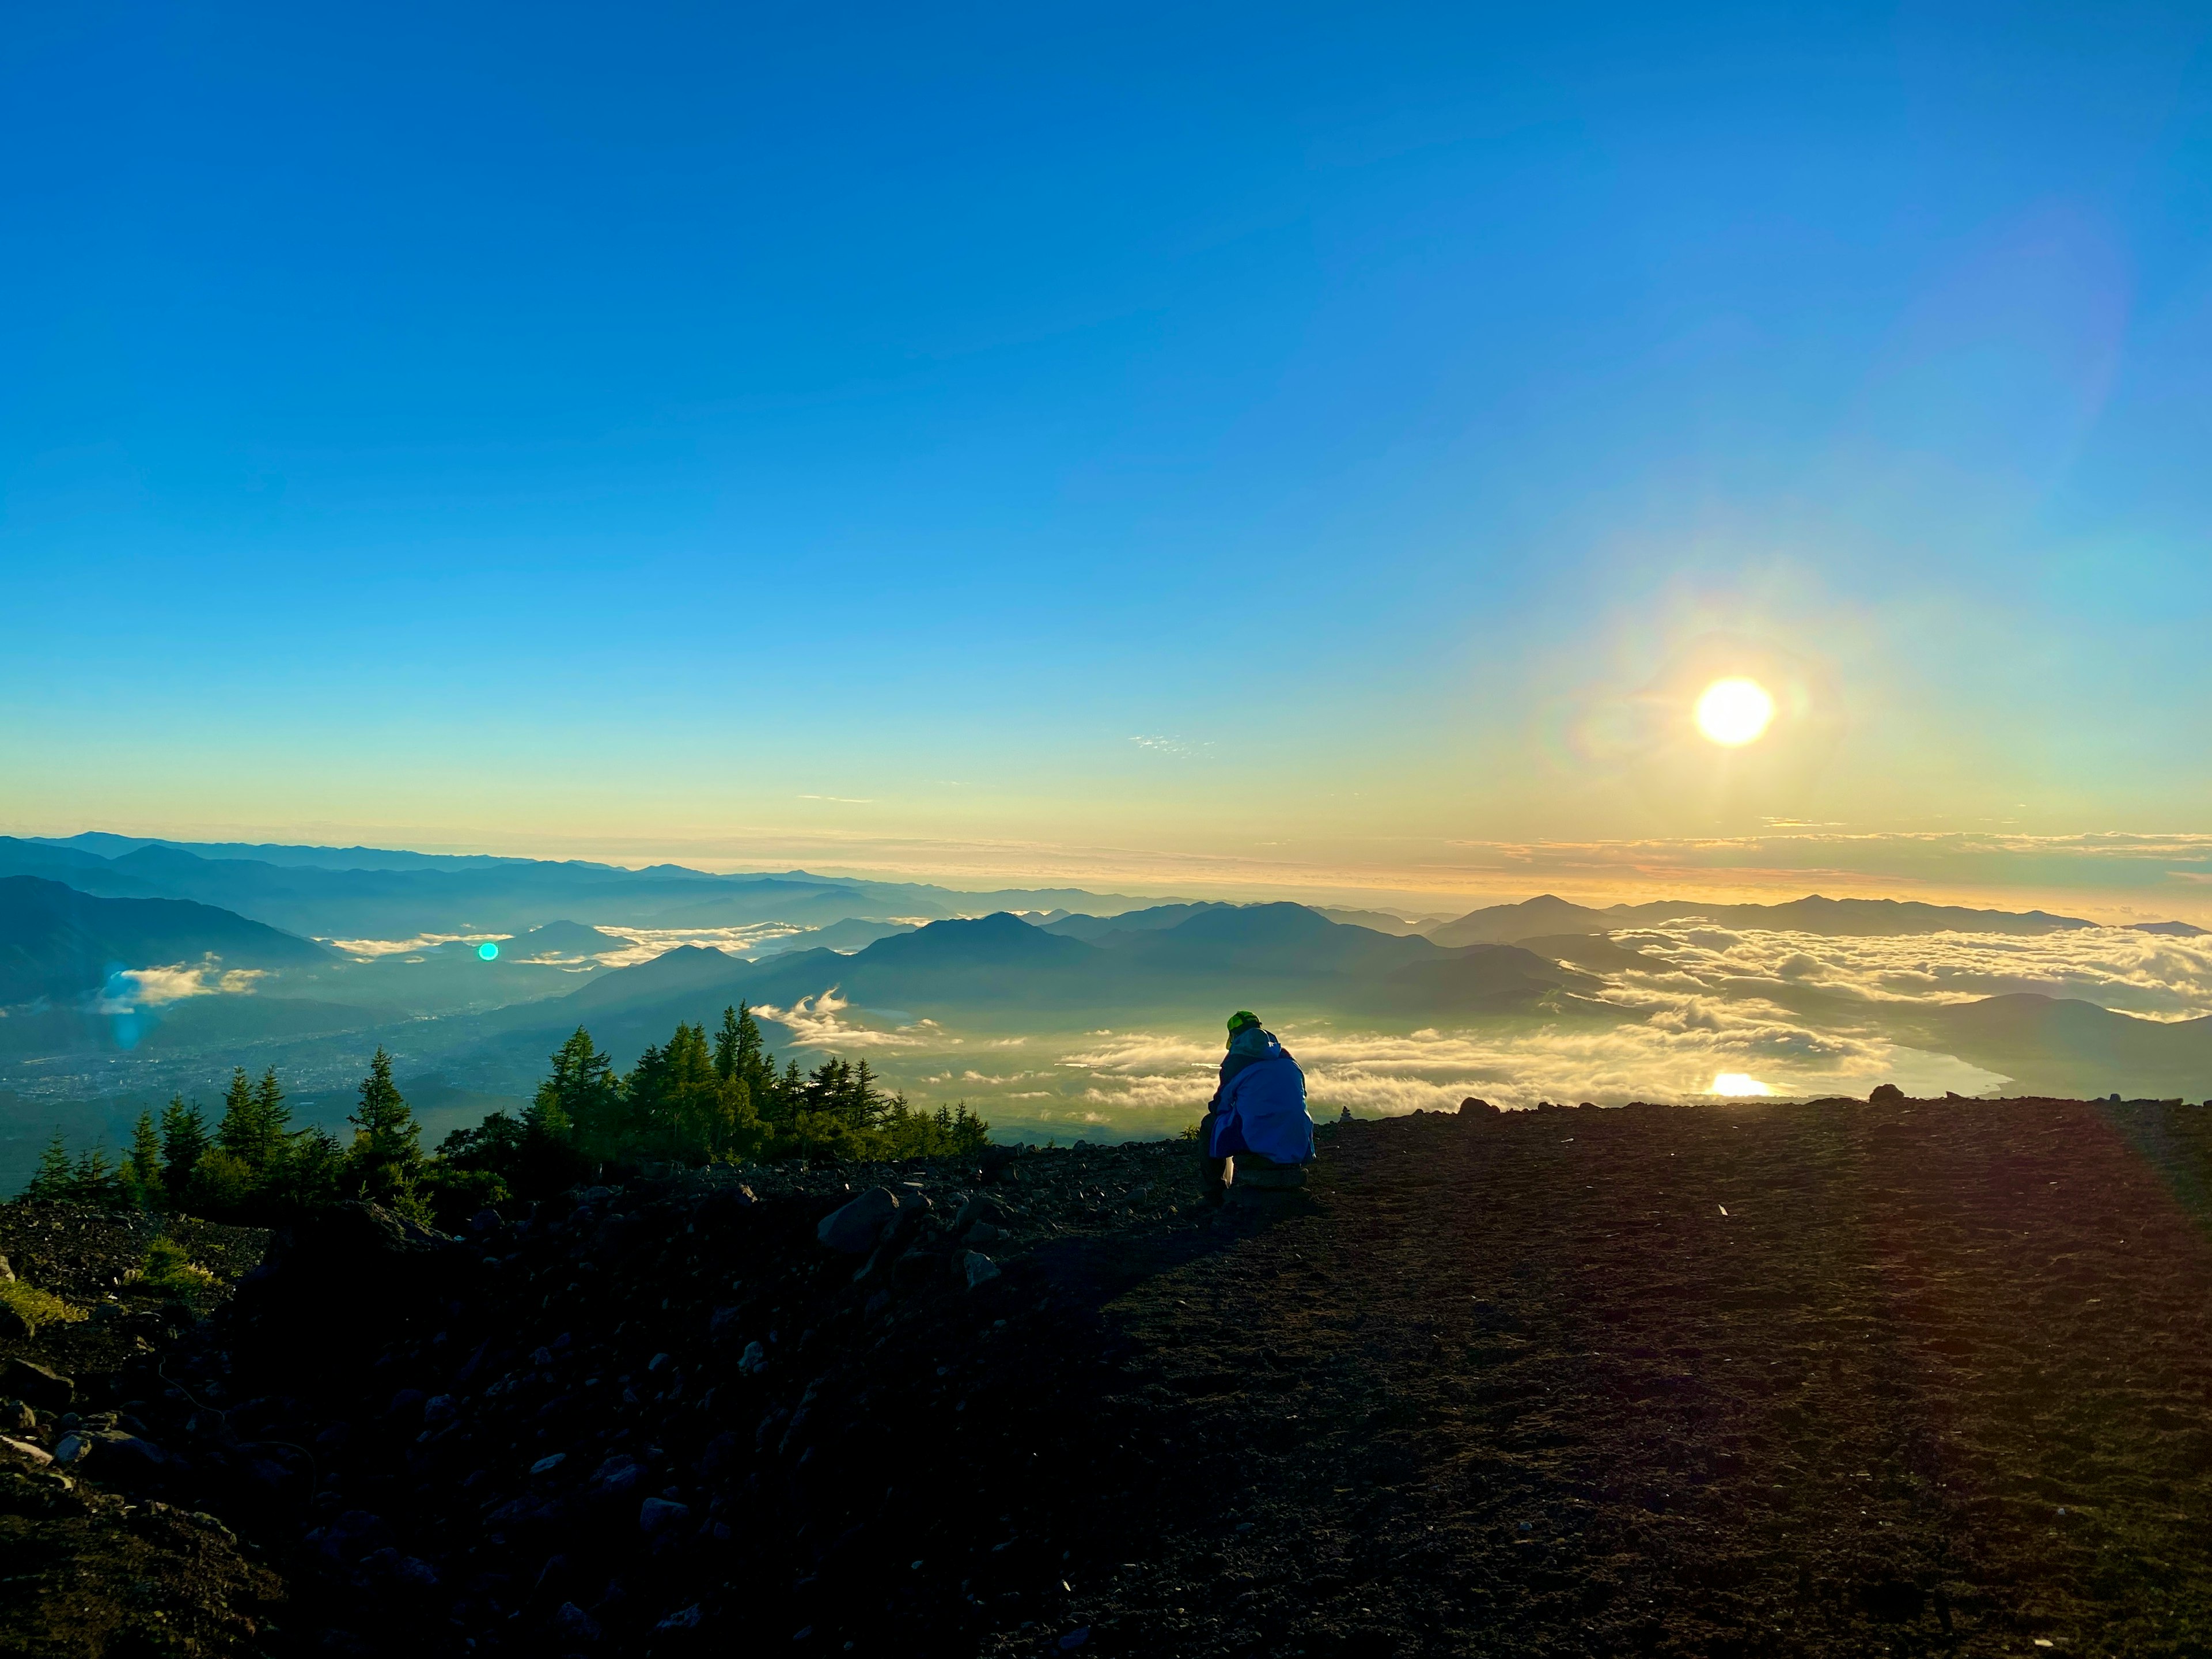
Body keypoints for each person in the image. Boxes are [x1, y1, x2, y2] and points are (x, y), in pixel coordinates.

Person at [1198, 1010, 1315, 1203]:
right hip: (1299, 1138)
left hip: (1258, 1137)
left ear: (1234, 1036)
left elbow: (1220, 1106)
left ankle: (1213, 1193)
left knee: (1211, 1125)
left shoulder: (1236, 1061)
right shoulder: (1286, 1057)